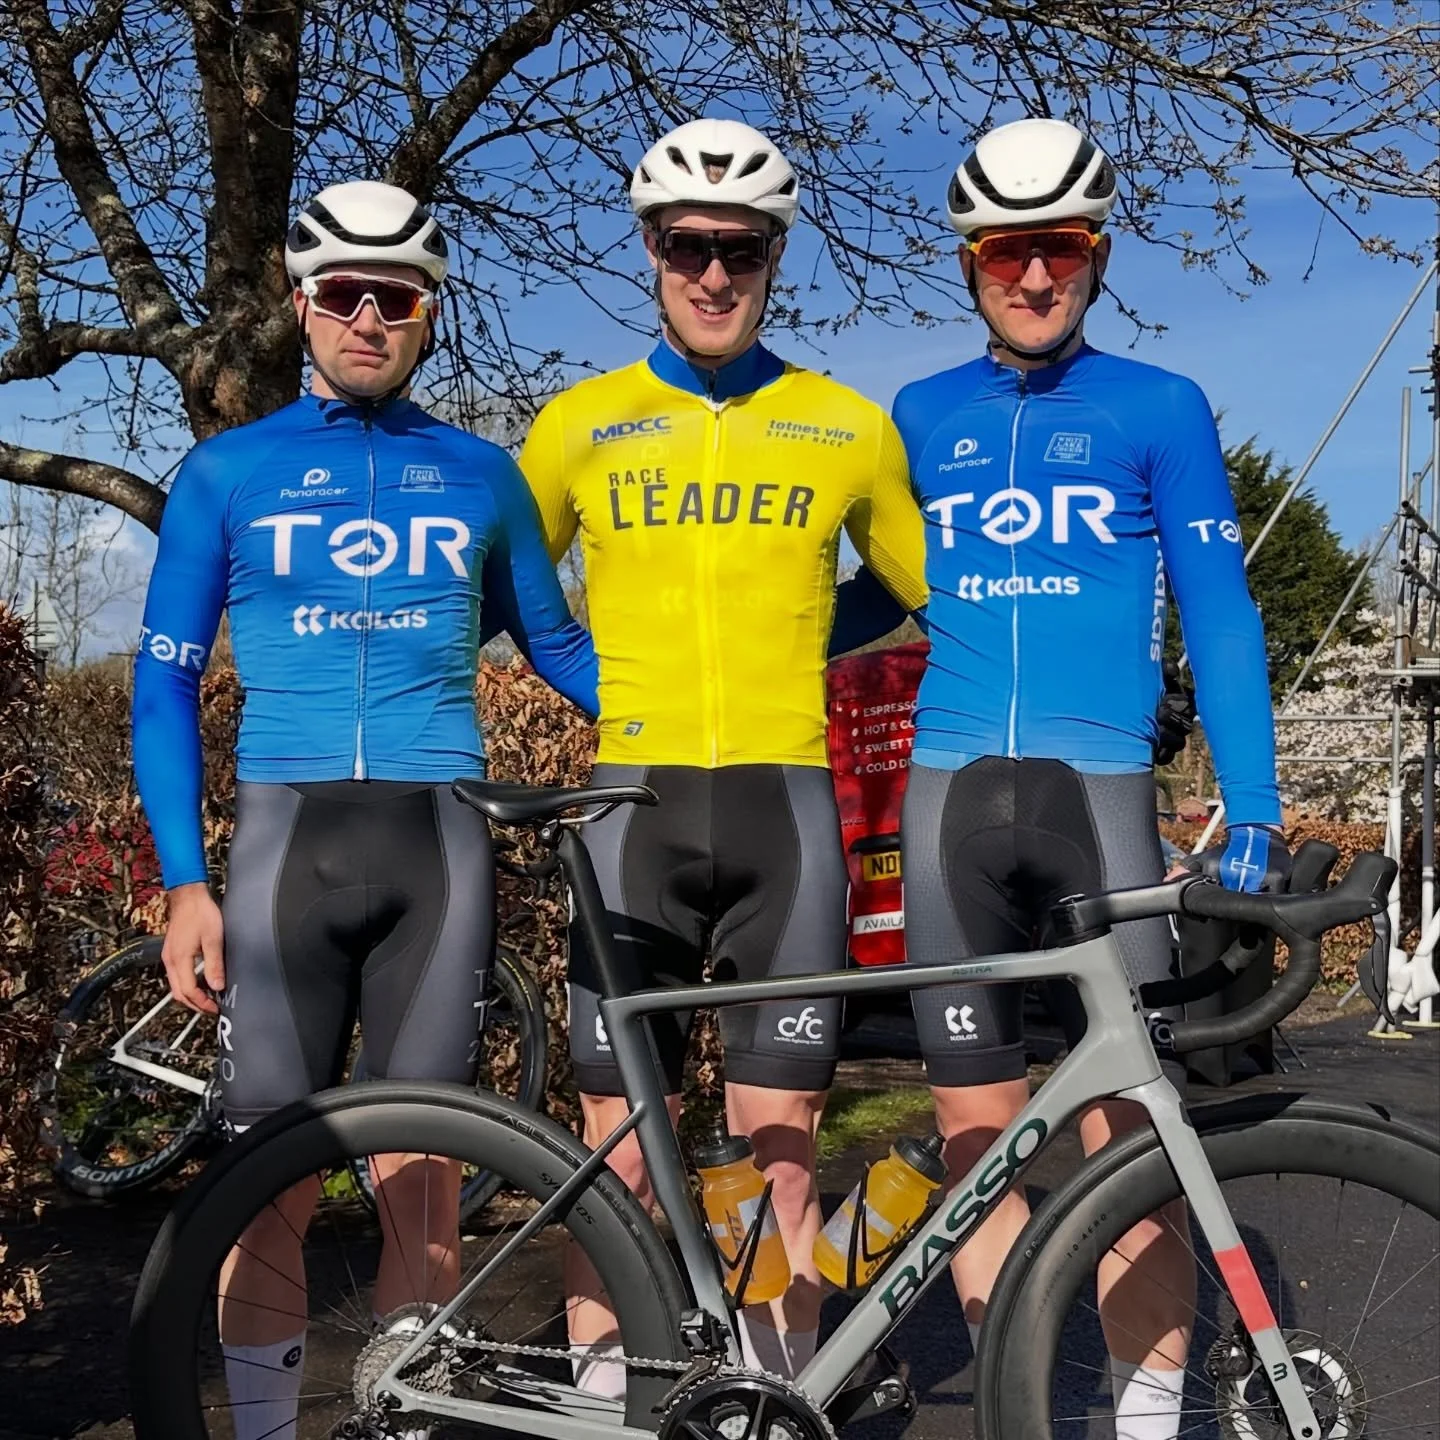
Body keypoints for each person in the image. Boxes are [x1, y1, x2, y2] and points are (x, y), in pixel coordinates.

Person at [132, 180, 598, 1440]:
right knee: (267, 1178)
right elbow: (162, 687)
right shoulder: (228, 471)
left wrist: (734, 710)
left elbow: (562, 651)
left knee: (425, 1178)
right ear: (301, 305)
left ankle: (411, 1422)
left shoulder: (483, 475)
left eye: (394, 297)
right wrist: (185, 883)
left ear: (429, 312)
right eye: (343, 293)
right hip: (286, 846)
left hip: (436, 842)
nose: (367, 317)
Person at [890, 118, 1289, 1440]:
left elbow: (1223, 614)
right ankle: (1018, 1405)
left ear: (1097, 249)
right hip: (947, 797)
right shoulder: (920, 414)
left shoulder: (1158, 408)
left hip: (1102, 797)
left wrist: (1260, 804)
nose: (1034, 272)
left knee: (1136, 1132)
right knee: (973, 1134)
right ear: (970, 258)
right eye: (1007, 247)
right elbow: (853, 601)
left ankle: (1149, 1410)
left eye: (1059, 244)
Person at [516, 118, 928, 1393]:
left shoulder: (845, 426)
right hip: (629, 809)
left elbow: (929, 591)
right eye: (688, 246)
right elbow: (512, 599)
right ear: (650, 248)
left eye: (738, 250)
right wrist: (607, 684)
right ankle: (599, 1401)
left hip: (783, 812)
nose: (712, 273)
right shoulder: (577, 425)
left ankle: (770, 1395)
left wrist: (807, 640)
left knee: (779, 1145)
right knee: (613, 1147)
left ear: (773, 253)